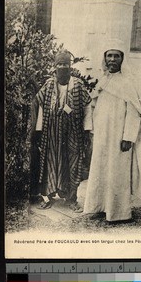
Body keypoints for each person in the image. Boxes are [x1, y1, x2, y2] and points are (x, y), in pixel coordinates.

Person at [83, 40, 141, 222]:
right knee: (100, 169)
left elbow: (134, 112)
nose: (112, 59)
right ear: (104, 58)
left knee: (117, 172)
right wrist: (90, 128)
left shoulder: (128, 82)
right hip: (102, 135)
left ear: (122, 59)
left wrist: (128, 136)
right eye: (109, 55)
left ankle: (119, 212)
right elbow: (92, 105)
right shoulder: (102, 80)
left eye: (116, 56)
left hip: (119, 136)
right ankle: (99, 207)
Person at [31, 49, 92, 212]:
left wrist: (87, 129)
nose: (62, 67)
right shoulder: (49, 84)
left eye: (66, 64)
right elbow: (41, 107)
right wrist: (38, 130)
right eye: (59, 64)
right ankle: (47, 196)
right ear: (55, 66)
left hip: (73, 133)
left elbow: (87, 107)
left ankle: (72, 199)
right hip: (51, 134)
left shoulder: (78, 84)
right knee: (50, 163)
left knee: (73, 164)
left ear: (70, 66)